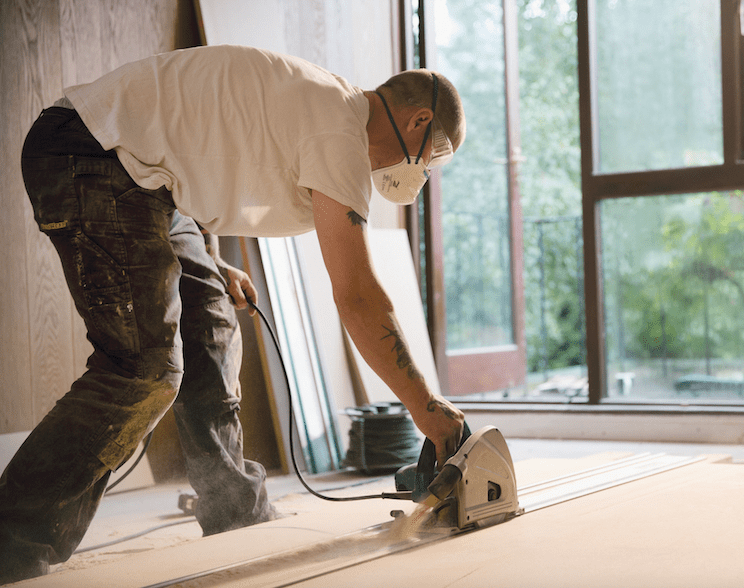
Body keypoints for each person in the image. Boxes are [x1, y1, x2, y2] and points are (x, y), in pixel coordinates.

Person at [0, 43, 466, 584]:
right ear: (419, 120)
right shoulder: (339, 128)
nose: (425, 170)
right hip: (93, 152)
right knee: (143, 367)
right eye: (434, 155)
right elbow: (357, 295)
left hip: (146, 176)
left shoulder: (325, 108)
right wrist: (426, 407)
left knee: (211, 330)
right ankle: (12, 538)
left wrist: (214, 259)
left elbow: (199, 147)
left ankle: (234, 512)